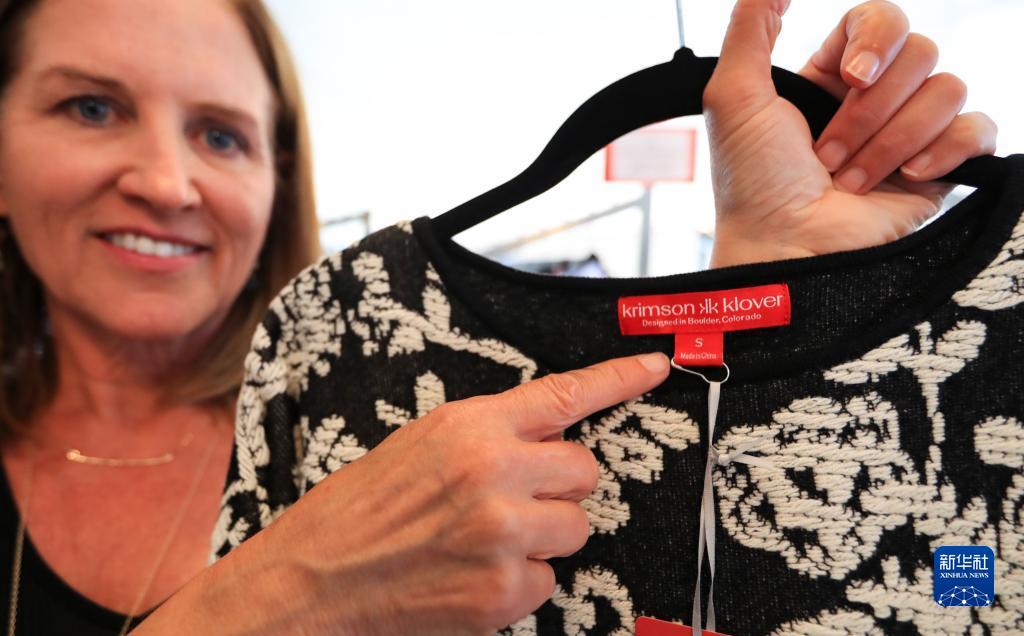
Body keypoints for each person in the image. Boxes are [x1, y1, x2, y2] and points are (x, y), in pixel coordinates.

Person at [0, 0, 997, 634]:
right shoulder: (335, 368)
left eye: (220, 134)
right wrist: (288, 589)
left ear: (277, 174)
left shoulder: (342, 356)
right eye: (90, 107)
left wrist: (792, 303)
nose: (167, 183)